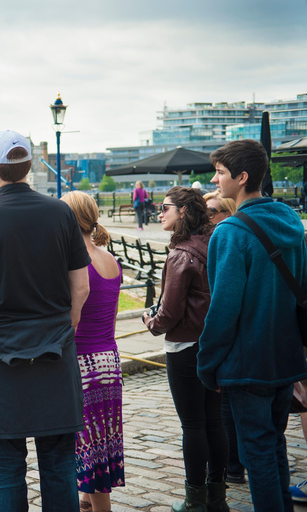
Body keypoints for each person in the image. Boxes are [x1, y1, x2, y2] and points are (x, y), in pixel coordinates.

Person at [0, 130, 91, 511]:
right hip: (55, 351)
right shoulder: (61, 212)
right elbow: (82, 289)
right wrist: (68, 327)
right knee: (59, 464)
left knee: (7, 468)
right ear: (28, 167)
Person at [198, 140, 307, 512]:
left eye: (221, 173)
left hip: (248, 363)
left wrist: (206, 364)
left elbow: (223, 310)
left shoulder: (230, 232)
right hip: (287, 356)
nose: (214, 180)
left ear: (242, 178)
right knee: (274, 445)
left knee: (256, 453)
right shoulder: (291, 220)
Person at [142, 186, 226, 512]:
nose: (159, 213)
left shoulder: (180, 254)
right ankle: (217, 498)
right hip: (213, 342)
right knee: (215, 422)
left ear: (183, 211)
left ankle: (195, 501)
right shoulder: (213, 243)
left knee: (193, 424)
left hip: (185, 346)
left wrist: (151, 321)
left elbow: (170, 313)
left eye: (165, 208)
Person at [60, 191, 124, 512]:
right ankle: (86, 501)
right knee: (103, 440)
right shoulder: (109, 258)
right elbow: (109, 319)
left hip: (82, 362)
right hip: (109, 359)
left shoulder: (72, 260)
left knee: (91, 447)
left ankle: (99, 506)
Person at [203, 190, 243, 485]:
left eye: (212, 212)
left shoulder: (227, 236)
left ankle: (234, 467)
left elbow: (224, 302)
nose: (206, 218)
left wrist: (208, 361)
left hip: (236, 341)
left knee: (227, 409)